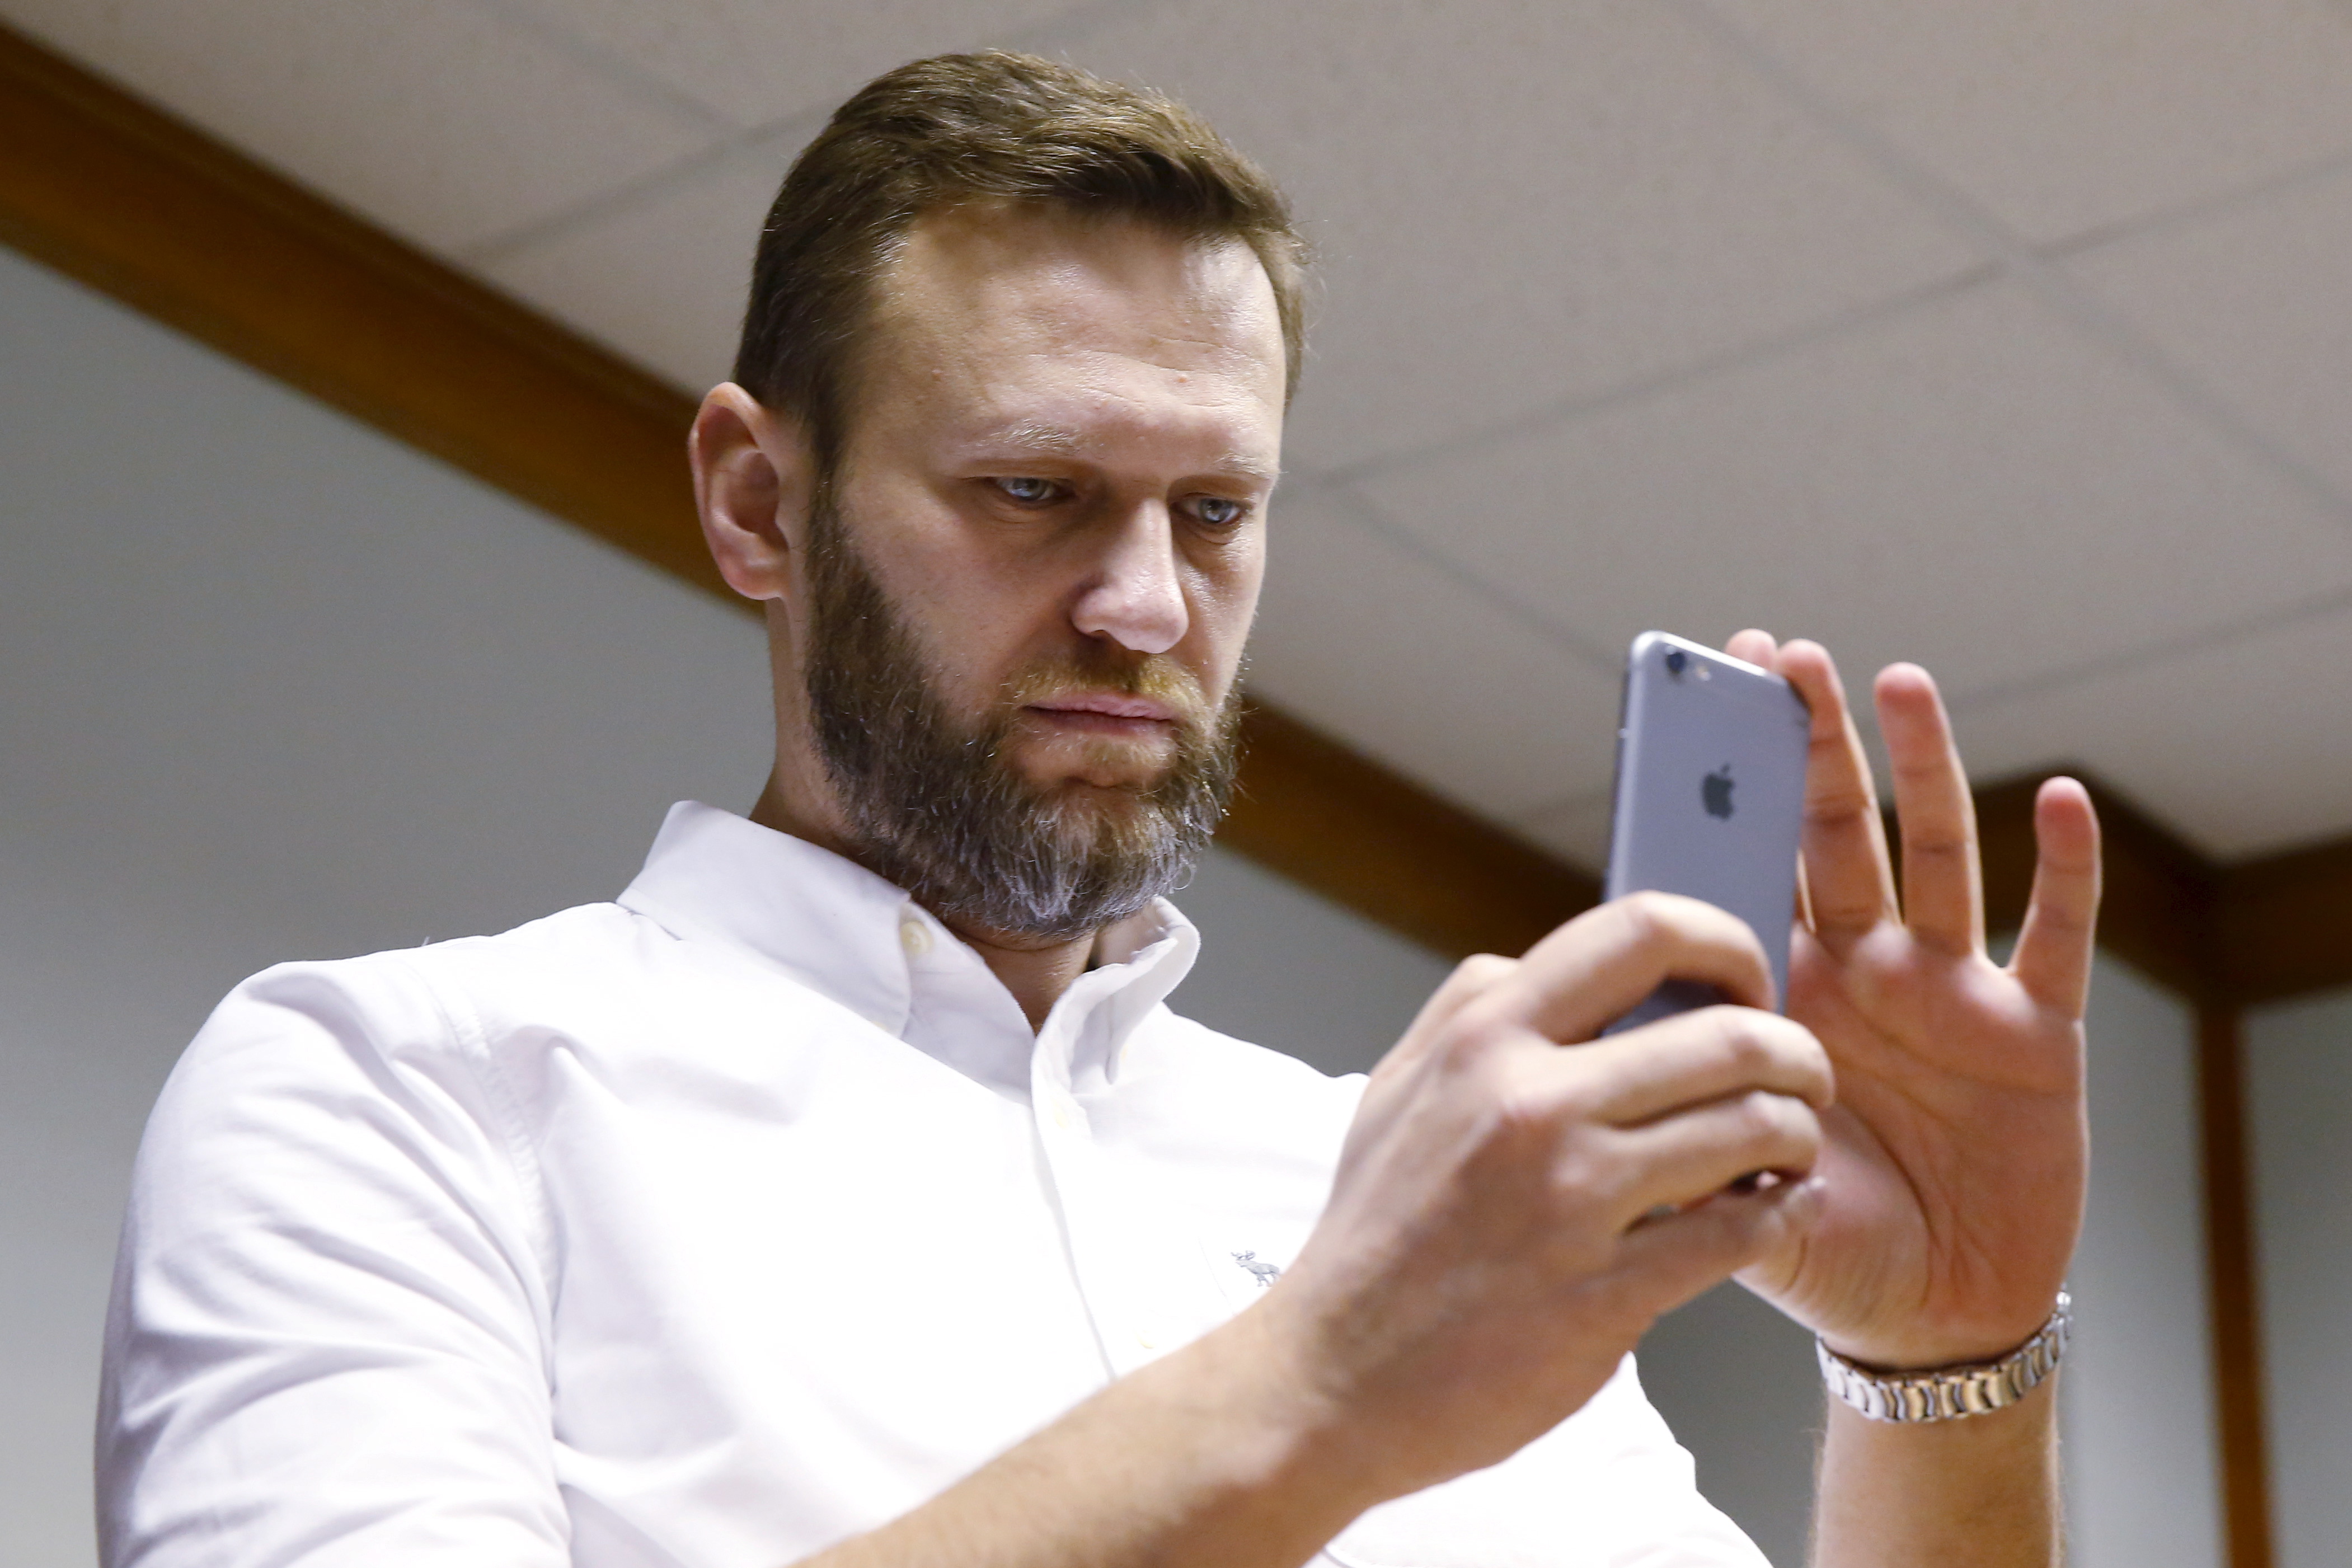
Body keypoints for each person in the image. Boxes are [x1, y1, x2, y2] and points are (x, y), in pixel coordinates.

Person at [96, 50, 2101, 1568]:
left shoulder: (1396, 1173)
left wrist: (1942, 1368)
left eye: (1213, 512)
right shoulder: (392, 1090)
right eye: (1035, 491)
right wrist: (1316, 1383)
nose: (1148, 606)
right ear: (754, 501)